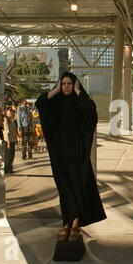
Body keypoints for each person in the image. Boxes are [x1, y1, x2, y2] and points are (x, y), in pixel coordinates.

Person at [36, 72, 106, 242]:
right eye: (64, 83)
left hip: (76, 153)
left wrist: (78, 91)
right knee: (64, 186)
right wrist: (56, 90)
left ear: (75, 85)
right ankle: (66, 221)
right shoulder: (56, 102)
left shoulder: (79, 101)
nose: (67, 87)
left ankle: (75, 222)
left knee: (76, 184)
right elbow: (40, 103)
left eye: (70, 84)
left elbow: (90, 110)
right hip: (60, 152)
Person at [3, 107, 17, 174]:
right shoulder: (6, 119)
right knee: (8, 156)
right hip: (8, 141)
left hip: (12, 140)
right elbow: (6, 131)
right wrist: (8, 142)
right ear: (6, 111)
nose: (11, 112)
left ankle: (10, 169)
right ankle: (7, 170)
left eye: (12, 111)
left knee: (12, 155)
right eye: (10, 111)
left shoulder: (12, 120)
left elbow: (14, 131)